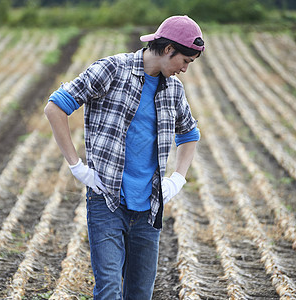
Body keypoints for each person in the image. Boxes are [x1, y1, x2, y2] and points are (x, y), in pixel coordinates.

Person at [44, 15, 204, 300]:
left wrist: (177, 179)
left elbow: (189, 135)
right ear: (169, 49)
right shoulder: (112, 70)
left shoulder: (173, 90)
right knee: (109, 291)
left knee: (140, 294)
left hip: (148, 207)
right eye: (185, 61)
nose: (185, 69)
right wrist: (76, 166)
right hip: (106, 201)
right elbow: (55, 107)